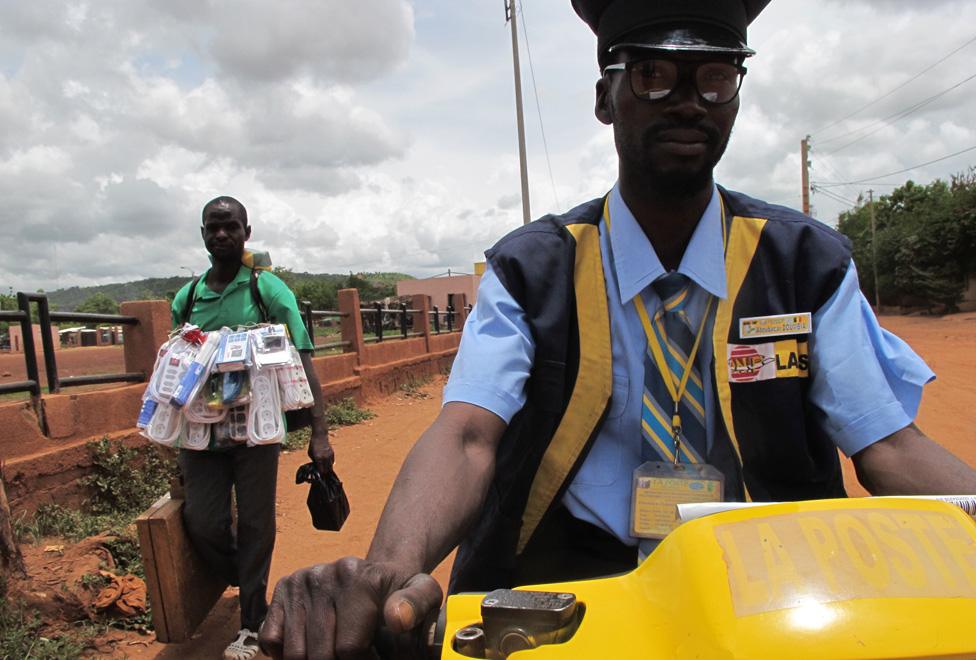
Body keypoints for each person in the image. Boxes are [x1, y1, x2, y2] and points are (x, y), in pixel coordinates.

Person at [259, 2, 976, 657]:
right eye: (655, 75)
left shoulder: (805, 262)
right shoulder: (530, 270)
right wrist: (384, 579)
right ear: (606, 97)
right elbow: (467, 436)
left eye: (716, 77)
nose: (689, 101)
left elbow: (887, 444)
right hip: (569, 593)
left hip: (773, 590)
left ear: (736, 96)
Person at [171, 196, 334, 660]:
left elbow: (304, 361)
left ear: (247, 232)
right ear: (202, 234)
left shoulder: (269, 291)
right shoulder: (188, 298)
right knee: (203, 522)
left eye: (230, 227)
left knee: (258, 518)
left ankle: (252, 621)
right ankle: (247, 578)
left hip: (258, 428)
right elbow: (177, 365)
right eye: (212, 228)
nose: (221, 235)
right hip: (202, 429)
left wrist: (319, 434)